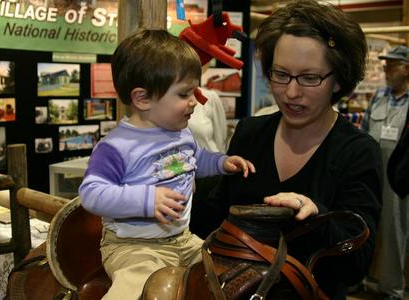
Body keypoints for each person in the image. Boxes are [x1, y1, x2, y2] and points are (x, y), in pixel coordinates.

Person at [191, 1, 383, 299]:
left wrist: (314, 217)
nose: (291, 93)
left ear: (338, 80)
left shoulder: (357, 152)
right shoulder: (250, 133)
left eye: (309, 78)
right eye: (280, 74)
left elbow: (356, 265)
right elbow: (217, 218)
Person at [78, 29, 255, 300]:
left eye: (194, 91)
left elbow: (194, 160)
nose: (195, 101)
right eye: (184, 94)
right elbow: (92, 193)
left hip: (182, 238)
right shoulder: (117, 146)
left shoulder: (181, 133)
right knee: (136, 285)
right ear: (143, 98)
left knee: (225, 273)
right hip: (133, 246)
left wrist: (221, 162)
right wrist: (146, 200)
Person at [360, 45, 409, 300]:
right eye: (385, 64)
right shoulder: (379, 96)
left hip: (398, 176)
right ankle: (363, 277)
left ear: (407, 68)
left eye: (392, 65)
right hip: (373, 171)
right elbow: (365, 130)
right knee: (365, 224)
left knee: (394, 231)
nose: (386, 69)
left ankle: (393, 289)